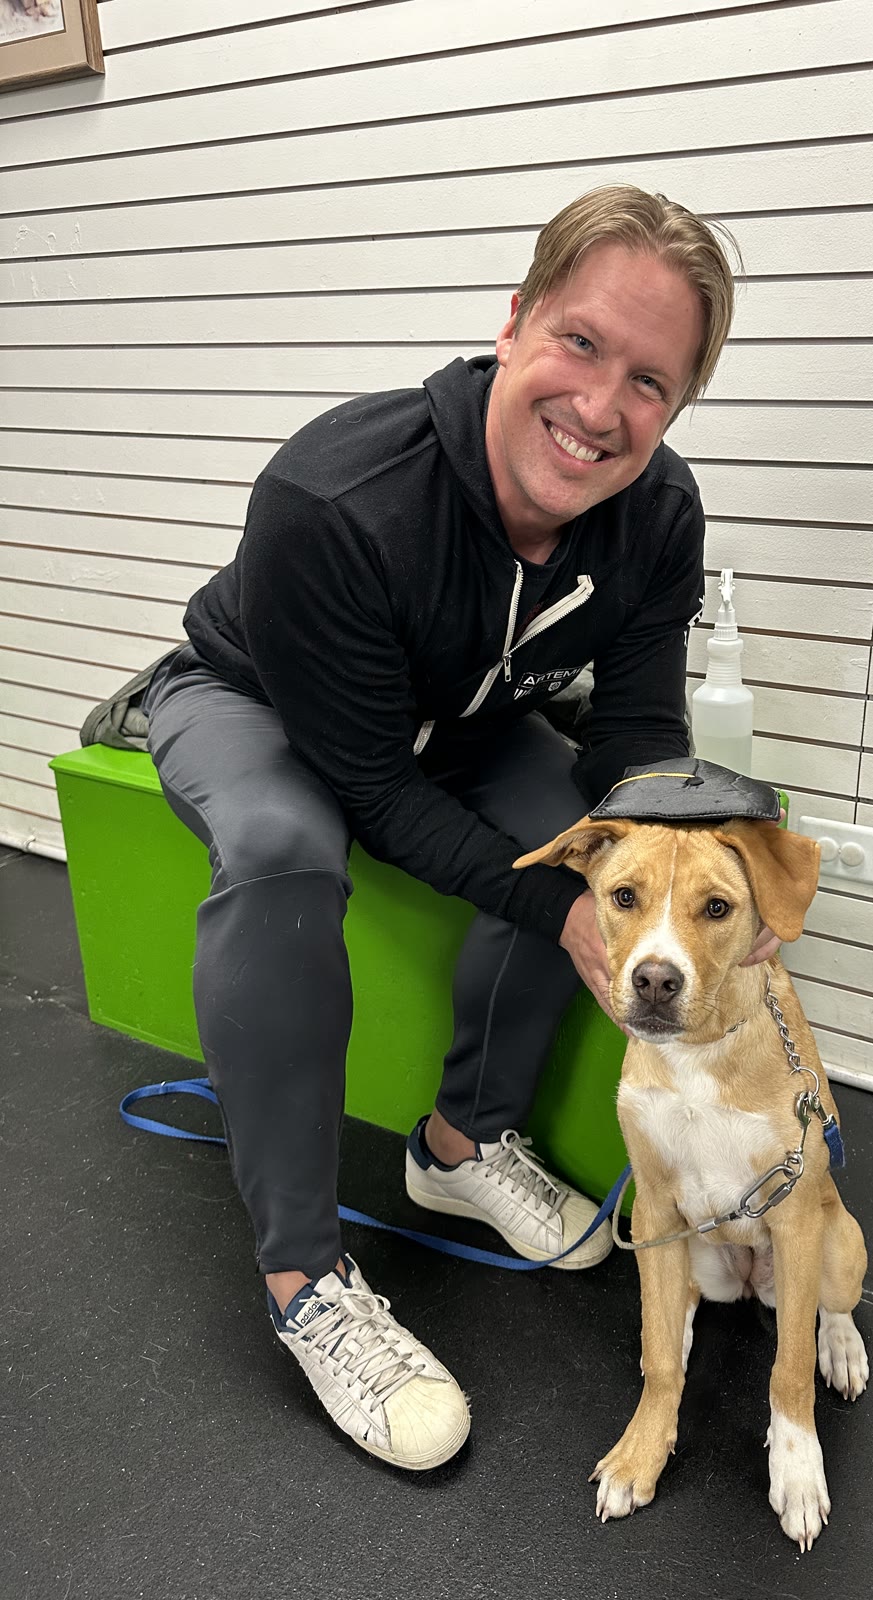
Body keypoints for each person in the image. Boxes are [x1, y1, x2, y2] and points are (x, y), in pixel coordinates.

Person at [142, 185, 766, 1472]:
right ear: (516, 319)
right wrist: (567, 905)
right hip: (259, 694)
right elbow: (370, 793)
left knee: (593, 842)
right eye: (581, 342)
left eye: (650, 382)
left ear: (680, 403)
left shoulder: (660, 517)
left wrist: (696, 879)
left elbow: (636, 742)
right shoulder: (336, 498)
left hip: (455, 713)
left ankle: (461, 1142)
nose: (601, 409)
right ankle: (303, 1275)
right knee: (280, 846)